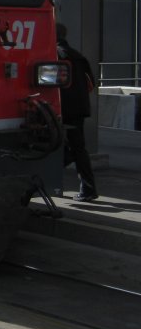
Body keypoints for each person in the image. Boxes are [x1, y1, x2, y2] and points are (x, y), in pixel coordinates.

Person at [56, 23, 99, 202]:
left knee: (60, 145)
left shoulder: (54, 54)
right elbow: (91, 84)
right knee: (79, 147)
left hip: (61, 108)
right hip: (79, 108)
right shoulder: (79, 56)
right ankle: (88, 188)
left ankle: (66, 162)